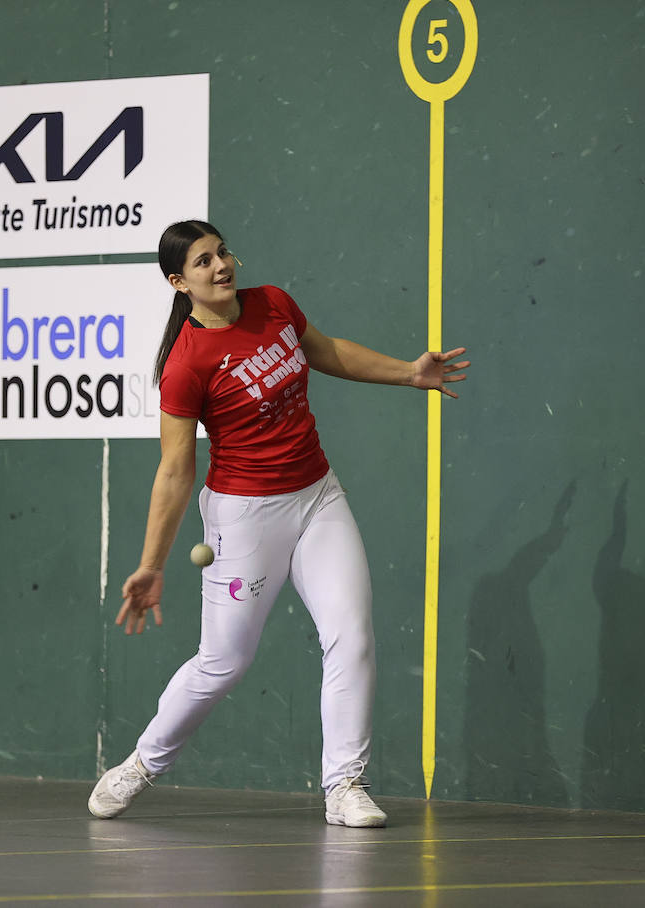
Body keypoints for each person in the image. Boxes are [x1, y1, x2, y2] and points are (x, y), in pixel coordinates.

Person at [88, 220, 468, 827]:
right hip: (244, 520)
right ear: (178, 282)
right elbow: (175, 471)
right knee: (224, 662)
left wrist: (409, 373)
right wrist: (152, 564)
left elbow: (326, 351)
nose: (221, 267)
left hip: (318, 497)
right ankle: (141, 763)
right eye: (204, 262)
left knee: (352, 635)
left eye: (223, 252)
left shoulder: (273, 305)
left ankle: (345, 785)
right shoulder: (186, 365)